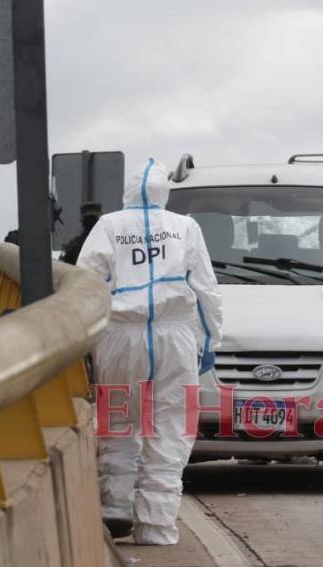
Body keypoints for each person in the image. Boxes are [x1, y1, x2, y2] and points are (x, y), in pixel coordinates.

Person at [77, 159, 224, 545]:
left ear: (127, 192)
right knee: (173, 425)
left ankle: (116, 507)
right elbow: (206, 290)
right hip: (175, 337)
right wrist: (209, 343)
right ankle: (156, 527)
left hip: (118, 335)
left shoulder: (107, 226)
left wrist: (86, 343)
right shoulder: (185, 227)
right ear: (165, 192)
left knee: (119, 418)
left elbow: (85, 285)